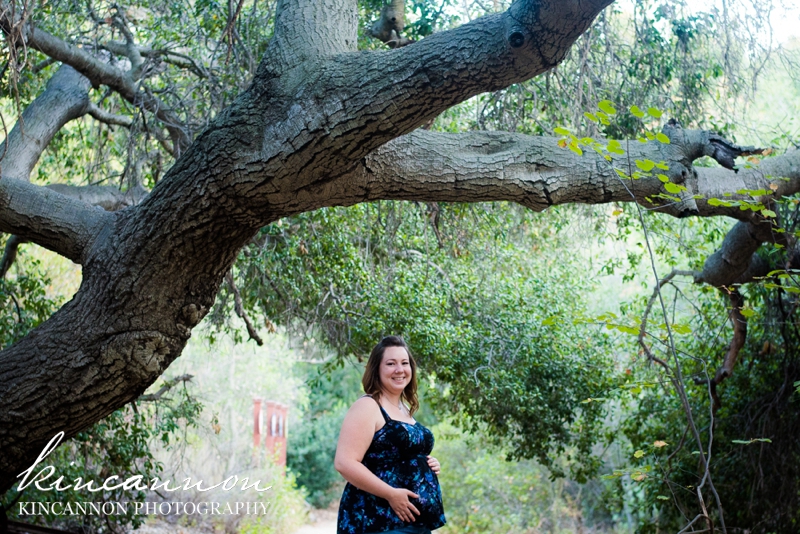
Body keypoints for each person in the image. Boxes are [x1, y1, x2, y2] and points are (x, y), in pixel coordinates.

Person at [334, 336, 446, 534]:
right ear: (377, 369)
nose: (399, 369)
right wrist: (391, 494)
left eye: (404, 363)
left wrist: (426, 463)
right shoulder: (368, 406)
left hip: (413, 523)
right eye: (391, 363)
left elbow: (394, 455)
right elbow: (345, 463)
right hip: (378, 521)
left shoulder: (403, 409)